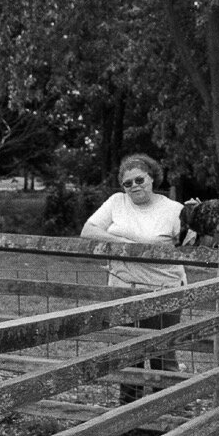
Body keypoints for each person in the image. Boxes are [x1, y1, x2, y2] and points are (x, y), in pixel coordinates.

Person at [81, 153, 186, 402]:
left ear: (152, 178)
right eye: (127, 183)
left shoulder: (174, 210)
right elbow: (88, 231)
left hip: (163, 288)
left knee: (163, 351)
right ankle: (128, 411)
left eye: (139, 179)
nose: (134, 186)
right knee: (128, 352)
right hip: (123, 289)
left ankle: (166, 408)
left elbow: (191, 242)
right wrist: (124, 244)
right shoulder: (117, 202)